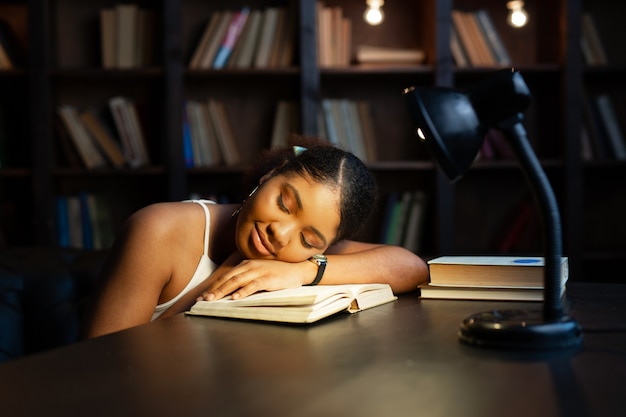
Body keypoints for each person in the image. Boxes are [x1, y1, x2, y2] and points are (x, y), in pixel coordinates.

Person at [82, 141, 429, 337]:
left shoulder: (303, 259)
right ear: (269, 176)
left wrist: (305, 271)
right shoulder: (157, 230)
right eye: (283, 203)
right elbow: (102, 364)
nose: (281, 233)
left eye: (309, 239)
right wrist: (223, 279)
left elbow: (412, 267)